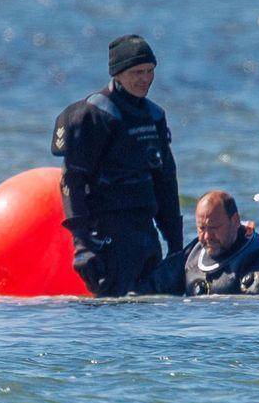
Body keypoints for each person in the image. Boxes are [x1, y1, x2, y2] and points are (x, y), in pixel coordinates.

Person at [52, 34, 182, 297]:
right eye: (137, 72)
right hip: (107, 240)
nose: (145, 79)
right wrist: (82, 245)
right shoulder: (93, 115)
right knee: (115, 322)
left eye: (150, 71)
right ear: (118, 74)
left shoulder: (154, 116)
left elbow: (165, 182)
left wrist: (176, 246)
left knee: (151, 322)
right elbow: (72, 181)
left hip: (145, 235)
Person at [142, 191, 259, 296]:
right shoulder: (193, 254)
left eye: (214, 228)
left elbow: (254, 315)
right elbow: (149, 290)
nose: (207, 236)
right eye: (202, 228)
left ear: (235, 221)